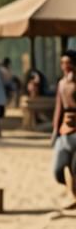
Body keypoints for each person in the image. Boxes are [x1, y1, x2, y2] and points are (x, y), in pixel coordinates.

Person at [52, 49, 76, 210]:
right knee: (58, 169)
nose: (64, 66)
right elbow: (58, 108)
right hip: (65, 128)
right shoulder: (61, 84)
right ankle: (69, 190)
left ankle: (73, 195)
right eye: (62, 63)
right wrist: (55, 130)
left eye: (67, 63)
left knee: (75, 167)